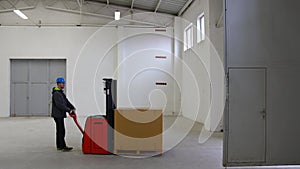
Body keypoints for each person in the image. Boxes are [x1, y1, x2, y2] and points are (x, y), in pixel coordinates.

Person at [52, 77, 75, 152]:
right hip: (57, 115)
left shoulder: (61, 93)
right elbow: (60, 105)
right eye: (61, 83)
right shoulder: (56, 94)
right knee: (61, 130)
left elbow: (66, 102)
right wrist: (68, 110)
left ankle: (60, 146)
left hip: (60, 114)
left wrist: (72, 107)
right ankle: (62, 146)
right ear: (58, 84)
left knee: (61, 130)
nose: (63, 85)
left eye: (63, 83)